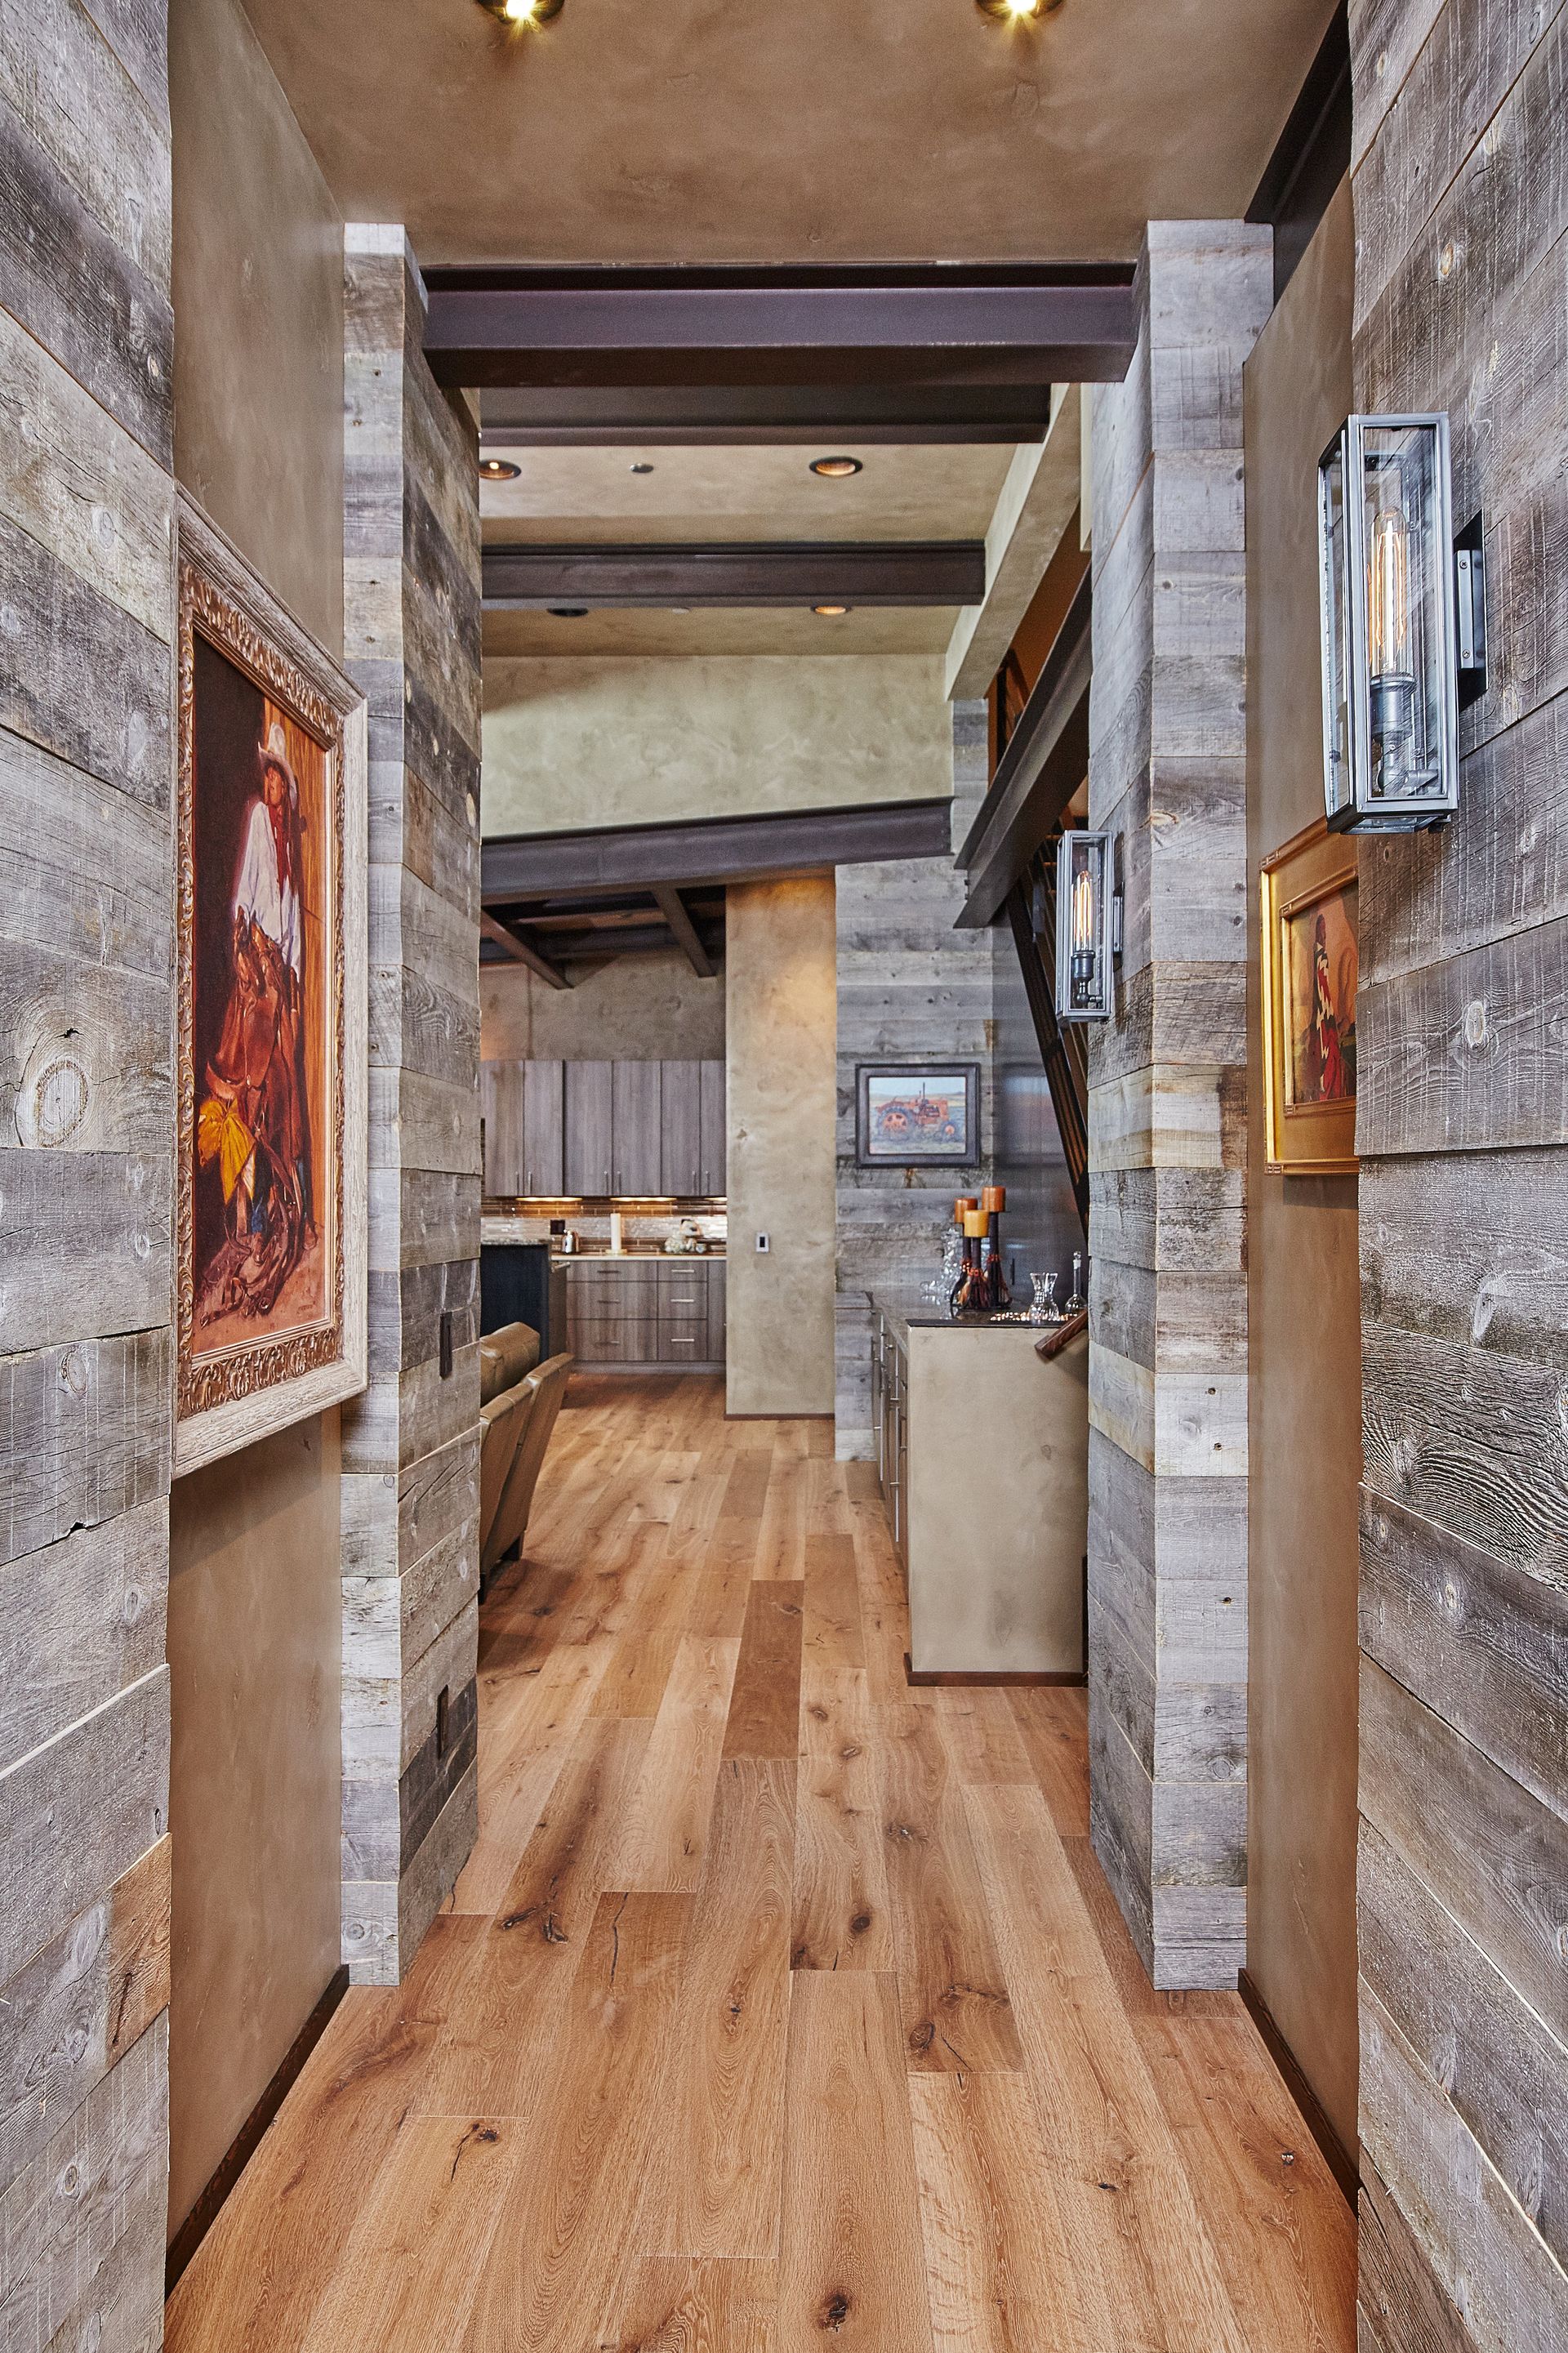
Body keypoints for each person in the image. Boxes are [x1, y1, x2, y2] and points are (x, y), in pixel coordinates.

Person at [197, 716, 313, 1321]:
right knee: (246, 1071)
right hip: (258, 953)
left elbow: (291, 916)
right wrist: (250, 942)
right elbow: (248, 891)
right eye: (267, 778)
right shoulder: (258, 831)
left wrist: (288, 974)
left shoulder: (288, 845)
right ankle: (247, 1219)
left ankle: (278, 1211)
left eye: (278, 781)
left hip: (280, 968)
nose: (271, 788)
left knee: (283, 1082)